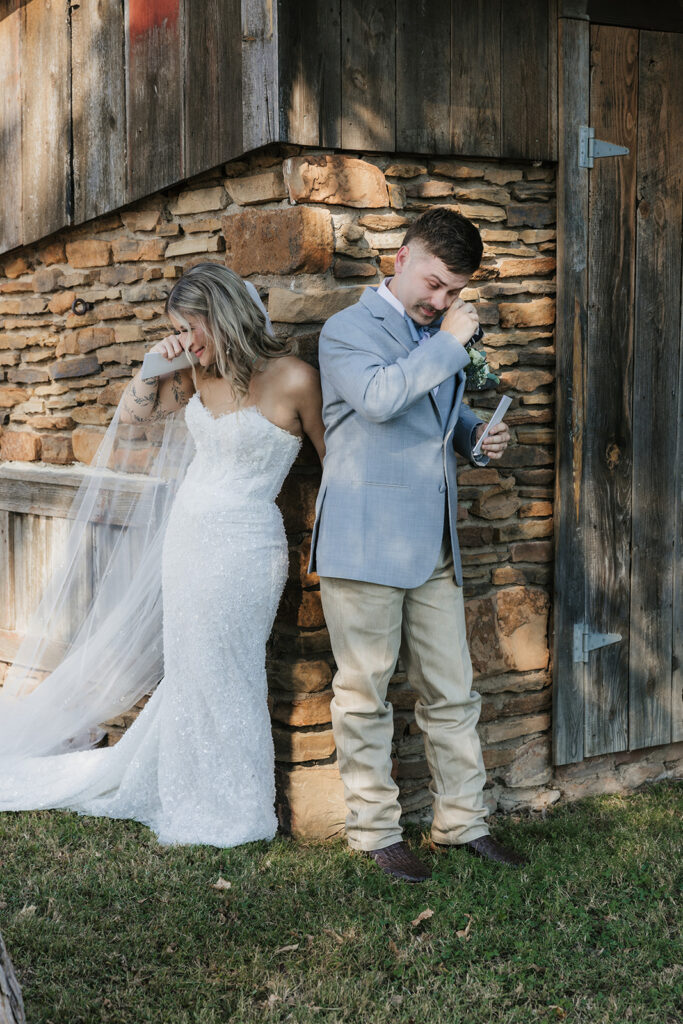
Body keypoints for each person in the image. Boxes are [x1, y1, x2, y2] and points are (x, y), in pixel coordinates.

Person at [0, 263, 324, 848]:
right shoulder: (195, 375)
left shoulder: (297, 378)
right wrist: (153, 366)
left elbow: (338, 464)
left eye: (190, 326)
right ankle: (189, 788)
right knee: (192, 669)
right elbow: (132, 422)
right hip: (189, 539)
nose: (187, 340)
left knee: (232, 670)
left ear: (221, 313)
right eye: (179, 328)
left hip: (249, 544)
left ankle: (238, 803)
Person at [311, 207, 525, 882]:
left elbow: (433, 410)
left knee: (453, 691)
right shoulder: (345, 331)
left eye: (454, 293)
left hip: (433, 545)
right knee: (365, 695)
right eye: (434, 284)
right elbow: (377, 399)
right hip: (364, 541)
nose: (442, 302)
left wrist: (473, 437)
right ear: (400, 258)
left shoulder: (436, 334)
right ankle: (375, 832)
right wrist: (450, 344)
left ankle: (462, 824)